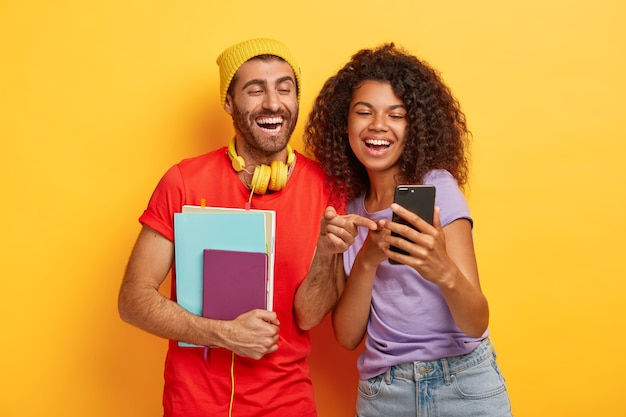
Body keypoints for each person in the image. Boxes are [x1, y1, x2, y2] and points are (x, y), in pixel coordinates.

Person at [118, 38, 375, 417]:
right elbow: (133, 300)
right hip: (192, 405)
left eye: (284, 88)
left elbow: (306, 317)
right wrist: (224, 334)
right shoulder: (182, 181)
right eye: (255, 90)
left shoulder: (326, 188)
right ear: (228, 102)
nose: (273, 102)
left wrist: (325, 253)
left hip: (287, 404)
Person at [304, 43, 513, 416]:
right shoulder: (346, 212)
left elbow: (477, 321)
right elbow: (348, 337)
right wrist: (367, 258)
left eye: (395, 115)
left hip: (463, 382)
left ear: (414, 126)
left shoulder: (439, 189)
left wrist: (440, 268)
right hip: (386, 393)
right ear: (344, 123)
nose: (378, 125)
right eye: (363, 112)